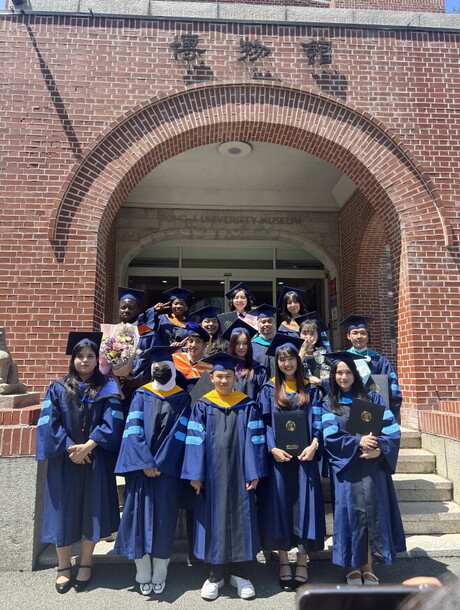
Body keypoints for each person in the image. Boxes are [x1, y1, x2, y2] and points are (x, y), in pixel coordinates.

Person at [36, 332, 124, 594]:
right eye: (80, 356)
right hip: (64, 462)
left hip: (95, 459)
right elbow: (49, 424)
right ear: (72, 359)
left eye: (90, 356)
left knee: (92, 510)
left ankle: (86, 562)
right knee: (62, 512)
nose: (85, 360)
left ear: (97, 360)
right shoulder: (58, 387)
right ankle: (63, 566)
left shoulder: (108, 388)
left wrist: (88, 446)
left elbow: (113, 422)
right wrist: (69, 448)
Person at [182, 352, 268, 601]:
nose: (223, 381)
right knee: (214, 519)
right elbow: (194, 440)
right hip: (212, 475)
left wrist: (254, 472)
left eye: (228, 376)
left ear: (235, 377)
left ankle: (241, 575)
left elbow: (255, 440)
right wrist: (195, 474)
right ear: (211, 377)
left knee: (242, 519)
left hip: (241, 474)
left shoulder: (247, 405)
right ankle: (215, 575)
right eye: (219, 376)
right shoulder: (202, 405)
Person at [321, 351, 405, 586]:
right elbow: (330, 436)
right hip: (347, 468)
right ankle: (352, 567)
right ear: (333, 376)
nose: (344, 377)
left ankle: (368, 567)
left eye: (348, 372)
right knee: (351, 517)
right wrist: (358, 442)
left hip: (372, 467)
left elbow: (392, 430)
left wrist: (380, 449)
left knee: (372, 516)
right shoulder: (329, 403)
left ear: (356, 375)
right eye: (339, 372)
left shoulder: (372, 398)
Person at [114, 346, 191, 596]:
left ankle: (160, 569)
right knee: (138, 517)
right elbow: (133, 429)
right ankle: (142, 568)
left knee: (164, 519)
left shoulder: (182, 398)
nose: (160, 371)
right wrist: (145, 462)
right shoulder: (141, 395)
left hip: (167, 471)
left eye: (165, 368)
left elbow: (180, 434)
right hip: (141, 469)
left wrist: (160, 463)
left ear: (174, 370)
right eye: (156, 368)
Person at [257, 334, 325, 591]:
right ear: (277, 363)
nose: (287, 363)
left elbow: (319, 420)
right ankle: (284, 562)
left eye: (290, 358)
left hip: (306, 458)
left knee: (306, 507)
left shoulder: (312, 388)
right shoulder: (269, 389)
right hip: (279, 460)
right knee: (280, 506)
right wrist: (271, 448)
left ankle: (303, 562)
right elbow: (264, 423)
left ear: (298, 360)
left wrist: (314, 444)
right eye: (282, 359)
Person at [340, 314, 403, 419]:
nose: (359, 336)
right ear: (348, 336)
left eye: (363, 333)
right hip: (348, 410)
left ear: (367, 336)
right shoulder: (343, 359)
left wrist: (390, 416)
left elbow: (393, 390)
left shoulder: (380, 360)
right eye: (355, 333)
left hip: (376, 410)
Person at [221, 318, 267, 401]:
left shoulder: (258, 369)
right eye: (237, 343)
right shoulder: (223, 368)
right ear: (231, 345)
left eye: (245, 343)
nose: (241, 347)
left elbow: (262, 397)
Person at [297, 312, 331, 386]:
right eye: (304, 333)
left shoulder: (324, 355)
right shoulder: (293, 354)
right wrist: (303, 351)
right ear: (299, 335)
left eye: (312, 333)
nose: (308, 337)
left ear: (318, 336)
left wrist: (322, 383)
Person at [250, 304, 280, 377]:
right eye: (263, 322)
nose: (266, 324)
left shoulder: (280, 342)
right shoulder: (252, 344)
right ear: (258, 324)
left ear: (274, 323)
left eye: (270, 321)